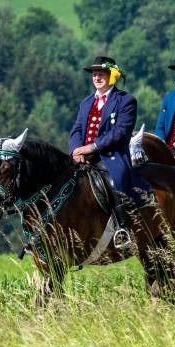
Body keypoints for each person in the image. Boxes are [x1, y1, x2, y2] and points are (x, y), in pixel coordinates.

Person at [69, 56, 149, 248]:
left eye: (101, 74)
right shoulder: (86, 102)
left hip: (110, 157)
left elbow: (120, 133)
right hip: (82, 158)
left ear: (112, 76)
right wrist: (76, 151)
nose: (97, 78)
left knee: (115, 182)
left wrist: (91, 147)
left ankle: (123, 229)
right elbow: (77, 130)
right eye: (95, 74)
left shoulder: (126, 100)